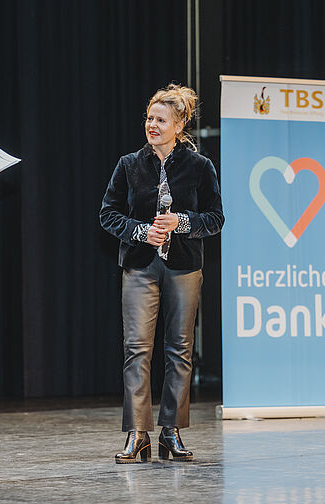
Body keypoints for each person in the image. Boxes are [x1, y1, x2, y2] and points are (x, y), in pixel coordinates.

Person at [99, 84, 224, 463]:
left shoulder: (200, 166)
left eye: (161, 120)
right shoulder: (129, 164)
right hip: (140, 266)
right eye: (149, 118)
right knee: (136, 349)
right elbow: (108, 214)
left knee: (180, 350)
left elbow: (216, 218)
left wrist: (182, 222)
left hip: (184, 266)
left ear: (179, 125)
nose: (152, 125)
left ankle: (171, 431)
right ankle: (138, 433)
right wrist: (140, 231)